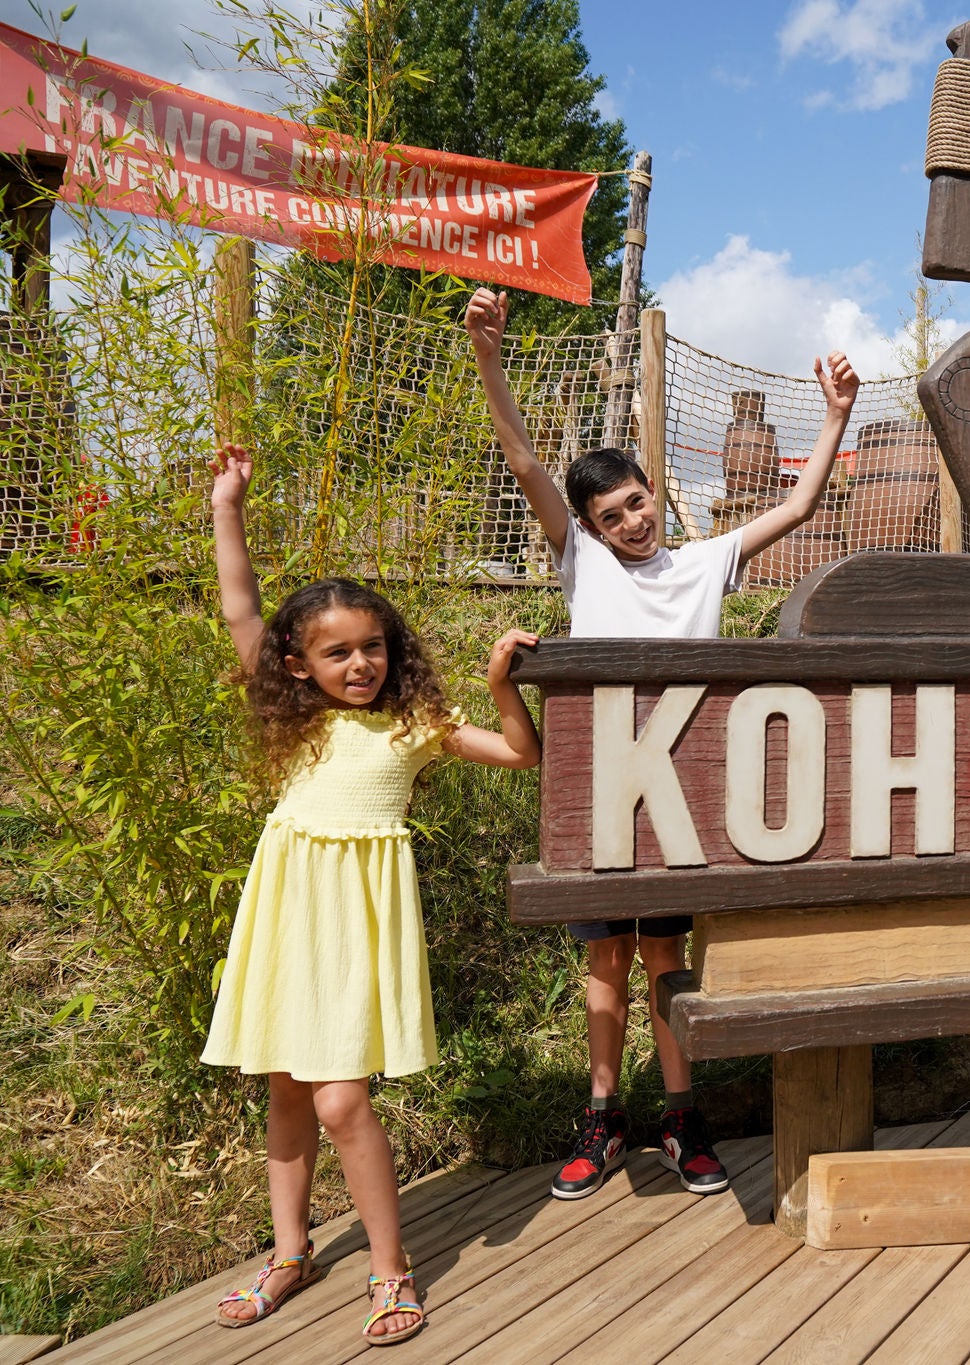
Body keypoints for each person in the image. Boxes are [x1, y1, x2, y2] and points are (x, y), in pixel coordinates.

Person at [464, 286, 861, 1201]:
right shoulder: (586, 566)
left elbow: (796, 509)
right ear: (591, 531)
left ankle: (684, 1119)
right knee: (604, 958)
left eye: (640, 504)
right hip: (604, 786)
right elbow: (523, 457)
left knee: (666, 958)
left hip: (683, 790)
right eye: (614, 517)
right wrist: (490, 353)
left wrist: (837, 414)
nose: (634, 524)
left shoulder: (702, 560)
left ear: (655, 495)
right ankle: (602, 1117)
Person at [203, 444, 542, 1343]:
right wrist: (226, 507)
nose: (360, 664)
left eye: (373, 647)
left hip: (355, 924)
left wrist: (502, 686)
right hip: (285, 914)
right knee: (283, 1086)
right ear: (300, 662)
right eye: (338, 651)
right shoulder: (300, 721)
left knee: (340, 1098)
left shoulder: (416, 725)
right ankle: (288, 1252)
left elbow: (520, 754)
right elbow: (241, 604)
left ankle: (390, 1271)